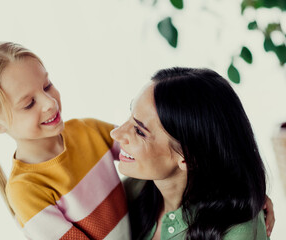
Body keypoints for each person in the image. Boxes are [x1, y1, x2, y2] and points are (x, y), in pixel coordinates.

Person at [0, 42, 130, 240]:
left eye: (47, 86)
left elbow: (147, 152)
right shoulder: (25, 189)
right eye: (29, 104)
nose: (50, 102)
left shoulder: (88, 129)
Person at [110, 67, 273, 240]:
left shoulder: (238, 234)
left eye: (139, 131)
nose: (116, 133)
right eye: (130, 114)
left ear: (189, 157)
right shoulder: (133, 189)